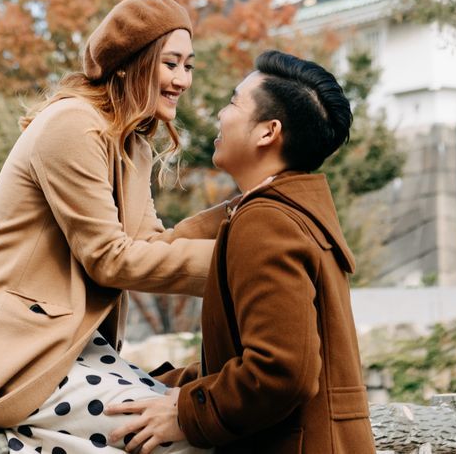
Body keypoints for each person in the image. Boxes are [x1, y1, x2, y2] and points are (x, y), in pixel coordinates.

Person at [0, 0, 228, 454]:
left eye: (188, 66)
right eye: (171, 63)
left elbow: (150, 243)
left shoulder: (132, 145)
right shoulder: (72, 125)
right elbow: (110, 259)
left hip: (78, 351)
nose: (182, 80)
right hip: (24, 356)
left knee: (197, 422)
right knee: (181, 434)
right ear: (132, 62)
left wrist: (236, 219)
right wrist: (240, 263)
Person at [108, 50, 376, 454]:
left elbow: (281, 372)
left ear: (268, 132)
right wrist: (171, 388)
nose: (221, 113)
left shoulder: (266, 222)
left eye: (234, 102)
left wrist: (185, 414)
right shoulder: (293, 215)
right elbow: (270, 356)